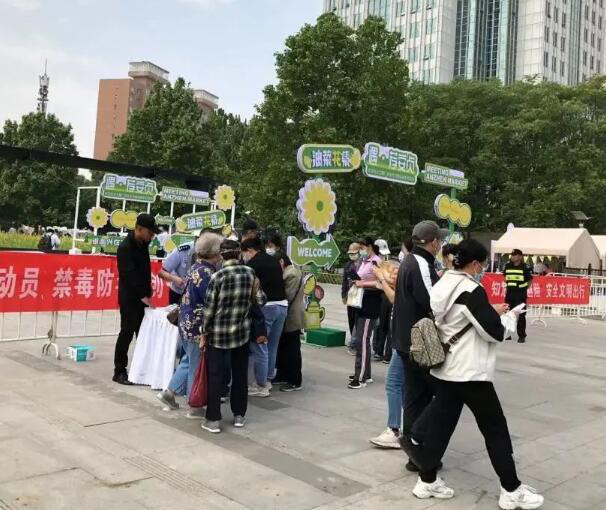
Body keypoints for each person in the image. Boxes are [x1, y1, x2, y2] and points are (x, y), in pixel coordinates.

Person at [400, 240, 543, 509]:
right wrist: (510, 318)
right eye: (483, 264)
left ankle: (427, 480)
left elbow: (462, 318)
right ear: (475, 263)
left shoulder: (443, 282)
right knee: (495, 429)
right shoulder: (471, 289)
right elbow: (494, 332)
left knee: (440, 428)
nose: (483, 268)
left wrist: (490, 312)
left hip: (446, 369)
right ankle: (511, 489)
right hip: (470, 372)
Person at [390, 220, 448, 469]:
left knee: (415, 397)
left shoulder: (408, 261)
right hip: (419, 343)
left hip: (407, 340)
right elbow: (432, 301)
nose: (441, 244)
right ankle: (418, 444)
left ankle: (415, 454)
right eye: (440, 240)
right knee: (442, 395)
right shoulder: (421, 263)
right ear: (433, 242)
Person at [200, 239, 266, 433]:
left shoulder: (217, 276)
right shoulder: (250, 273)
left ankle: (213, 420)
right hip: (241, 334)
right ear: (239, 254)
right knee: (239, 375)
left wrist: (204, 333)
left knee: (215, 376)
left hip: (218, 335)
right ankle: (239, 415)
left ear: (221, 255)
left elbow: (209, 310)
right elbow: (261, 300)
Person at [156, 232, 222, 417]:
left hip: (186, 322)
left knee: (188, 360)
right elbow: (210, 303)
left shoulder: (195, 267)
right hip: (197, 326)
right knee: (196, 365)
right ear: (214, 253)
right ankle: (195, 406)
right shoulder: (208, 273)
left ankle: (169, 393)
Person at [113, 213, 159, 385]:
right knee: (126, 332)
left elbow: (144, 270)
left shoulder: (143, 244)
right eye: (150, 232)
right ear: (139, 229)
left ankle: (142, 369)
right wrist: (142, 296)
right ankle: (119, 371)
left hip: (143, 296)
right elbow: (129, 275)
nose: (152, 236)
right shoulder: (125, 247)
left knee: (143, 333)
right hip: (130, 298)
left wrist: (148, 289)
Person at [241, 236, 288, 397]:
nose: (244, 257)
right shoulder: (273, 260)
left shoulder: (253, 264)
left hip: (267, 308)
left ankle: (260, 385)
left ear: (249, 250)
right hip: (282, 306)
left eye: (244, 253)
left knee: (259, 347)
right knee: (272, 346)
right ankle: (267, 379)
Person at [348, 237, 382, 389]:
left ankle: (360, 377)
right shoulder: (364, 261)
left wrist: (363, 283)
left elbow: (381, 282)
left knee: (362, 340)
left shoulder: (376, 261)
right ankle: (365, 373)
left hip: (371, 304)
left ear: (369, 247)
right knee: (362, 340)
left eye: (362, 248)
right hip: (361, 303)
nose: (360, 251)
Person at [274, 253, 305, 392]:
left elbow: (287, 295)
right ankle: (282, 374)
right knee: (283, 347)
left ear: (281, 261)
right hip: (287, 316)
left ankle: (295, 380)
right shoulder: (288, 272)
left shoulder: (291, 274)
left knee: (292, 349)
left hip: (292, 316)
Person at [158, 235, 200, 305]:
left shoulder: (213, 253)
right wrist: (174, 279)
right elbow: (161, 272)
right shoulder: (183, 250)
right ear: (196, 239)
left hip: (199, 296)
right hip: (179, 293)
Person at [504, 249, 533, 343]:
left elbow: (530, 280)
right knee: (508, 313)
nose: (512, 257)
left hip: (520, 294)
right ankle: (507, 334)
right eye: (512, 255)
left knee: (521, 315)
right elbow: (505, 277)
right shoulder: (508, 266)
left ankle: (521, 335)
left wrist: (523, 289)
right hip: (509, 293)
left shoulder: (525, 267)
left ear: (520, 257)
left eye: (515, 255)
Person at [341, 242, 362, 353]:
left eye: (354, 253)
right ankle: (353, 340)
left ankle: (355, 343)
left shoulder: (364, 264)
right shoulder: (348, 265)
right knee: (351, 319)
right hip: (350, 296)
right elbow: (344, 281)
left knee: (359, 320)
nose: (352, 255)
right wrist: (343, 295)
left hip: (361, 296)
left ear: (359, 252)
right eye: (350, 253)